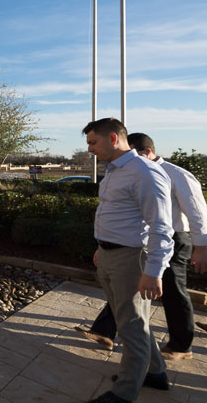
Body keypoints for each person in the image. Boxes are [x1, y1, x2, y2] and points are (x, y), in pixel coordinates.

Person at [74, 132, 207, 360]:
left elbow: (198, 212)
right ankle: (104, 331)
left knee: (174, 292)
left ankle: (181, 347)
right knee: (128, 287)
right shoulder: (134, 172)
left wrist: (201, 247)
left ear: (146, 152)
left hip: (174, 239)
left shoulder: (177, 174)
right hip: (145, 240)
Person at [79, 119, 174, 403]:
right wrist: (101, 248)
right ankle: (155, 372)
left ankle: (123, 396)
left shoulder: (144, 173)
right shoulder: (114, 172)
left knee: (131, 327)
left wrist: (154, 271)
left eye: (93, 142)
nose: (90, 149)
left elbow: (161, 227)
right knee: (130, 321)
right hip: (109, 255)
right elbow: (116, 215)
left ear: (113, 138)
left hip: (131, 260)